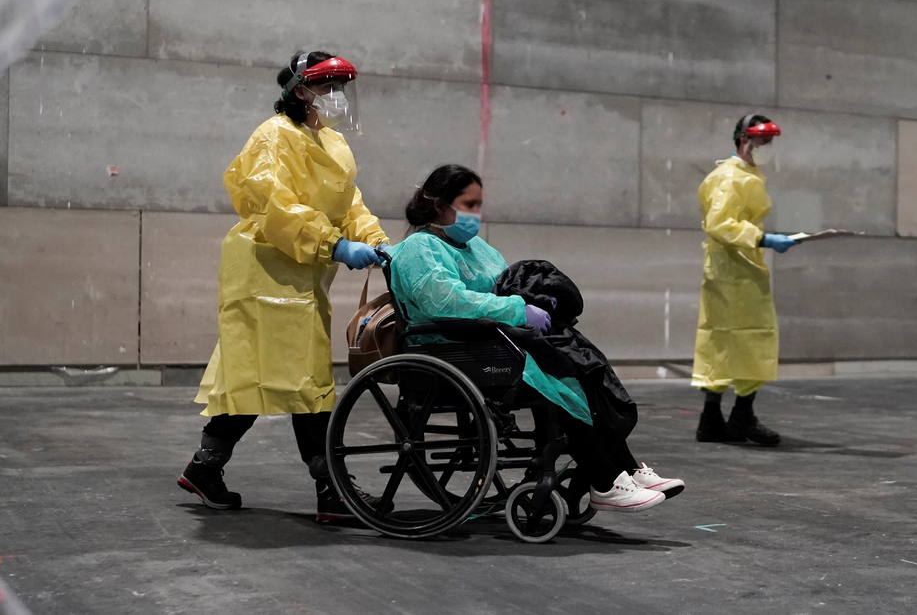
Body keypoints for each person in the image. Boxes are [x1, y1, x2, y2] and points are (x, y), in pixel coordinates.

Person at [387, 164, 684, 512]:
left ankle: (625, 468)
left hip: (491, 342)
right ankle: (605, 478)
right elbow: (447, 302)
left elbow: (504, 286)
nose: (476, 215)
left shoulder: (477, 249)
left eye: (479, 205)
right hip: (454, 348)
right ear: (439, 206)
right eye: (469, 204)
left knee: (581, 363)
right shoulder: (417, 250)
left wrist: (535, 299)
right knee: (560, 372)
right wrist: (517, 309)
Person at [178, 51, 391, 523]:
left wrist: (374, 241)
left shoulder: (331, 143)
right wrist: (333, 245)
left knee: (275, 377)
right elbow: (274, 206)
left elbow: (348, 202)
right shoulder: (273, 138)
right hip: (266, 273)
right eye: (327, 86)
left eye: (341, 87)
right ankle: (331, 490)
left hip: (302, 275)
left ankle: (204, 468)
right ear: (300, 90)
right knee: (296, 379)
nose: (336, 98)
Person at [692, 114, 799, 446]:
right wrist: (764, 239)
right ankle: (740, 416)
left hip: (734, 267)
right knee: (748, 339)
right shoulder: (730, 177)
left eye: (770, 142)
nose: (768, 148)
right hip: (735, 268)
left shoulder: (745, 174)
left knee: (721, 340)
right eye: (763, 141)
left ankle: (714, 419)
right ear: (743, 140)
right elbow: (719, 223)